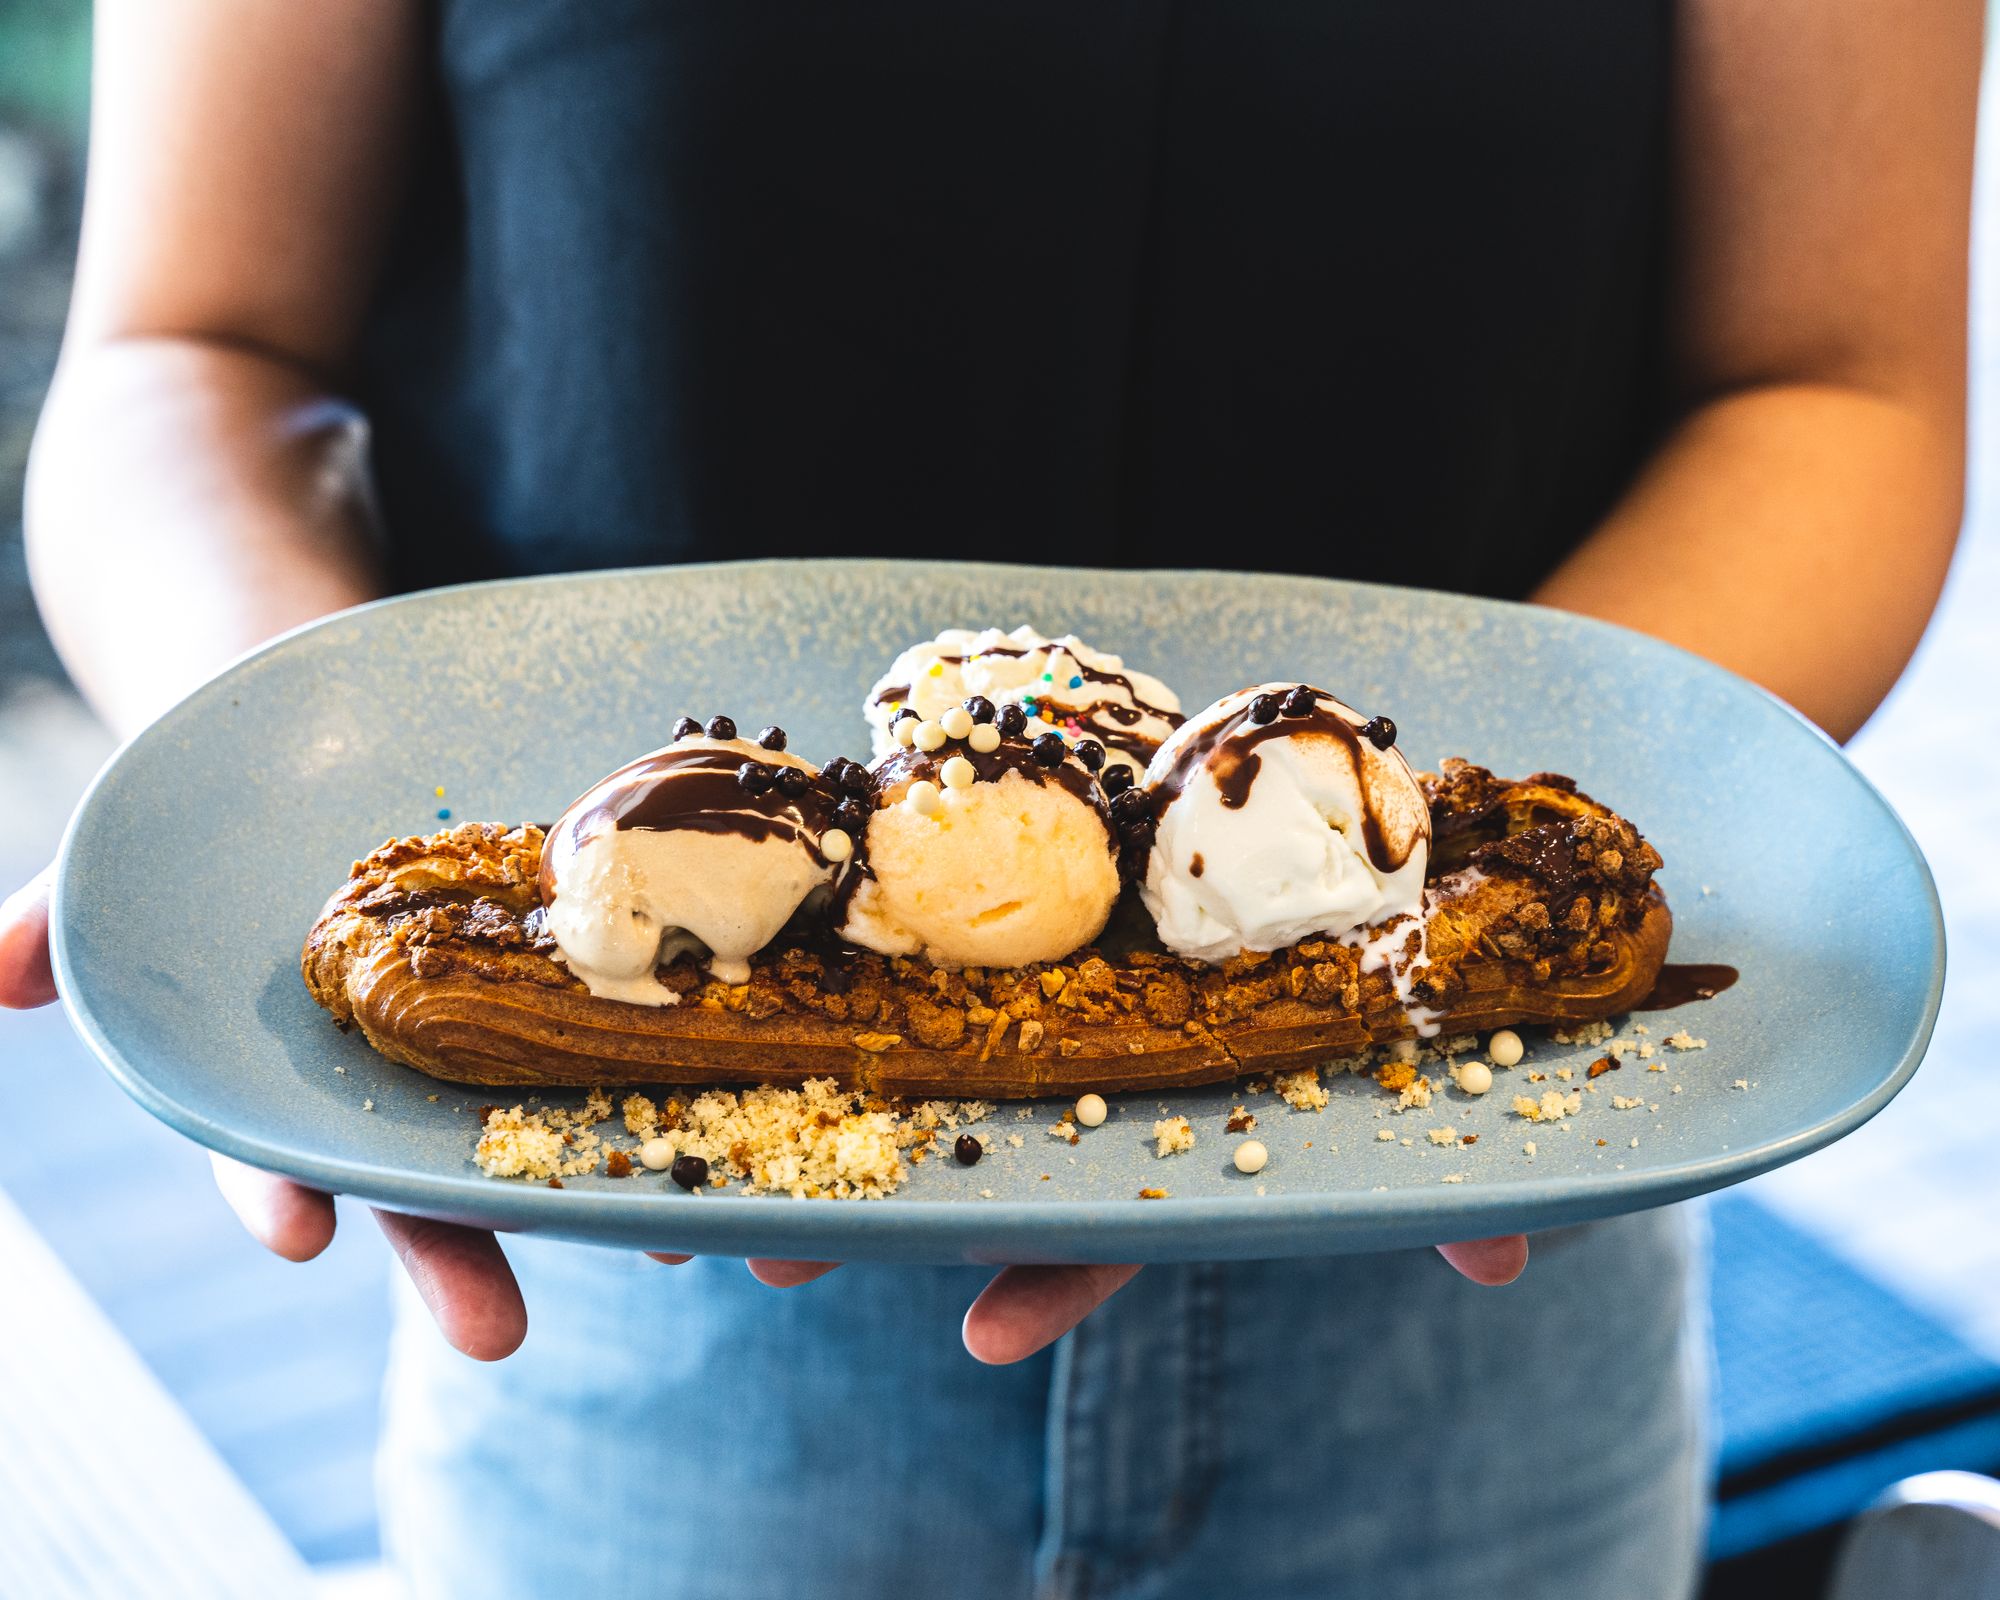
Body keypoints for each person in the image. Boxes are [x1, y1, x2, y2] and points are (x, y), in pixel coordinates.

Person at [0, 3, 1975, 1595]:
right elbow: (192, 348)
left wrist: (1521, 871)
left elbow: (1828, 375)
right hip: (648, 1246)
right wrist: (269, 769)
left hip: (1475, 1208)